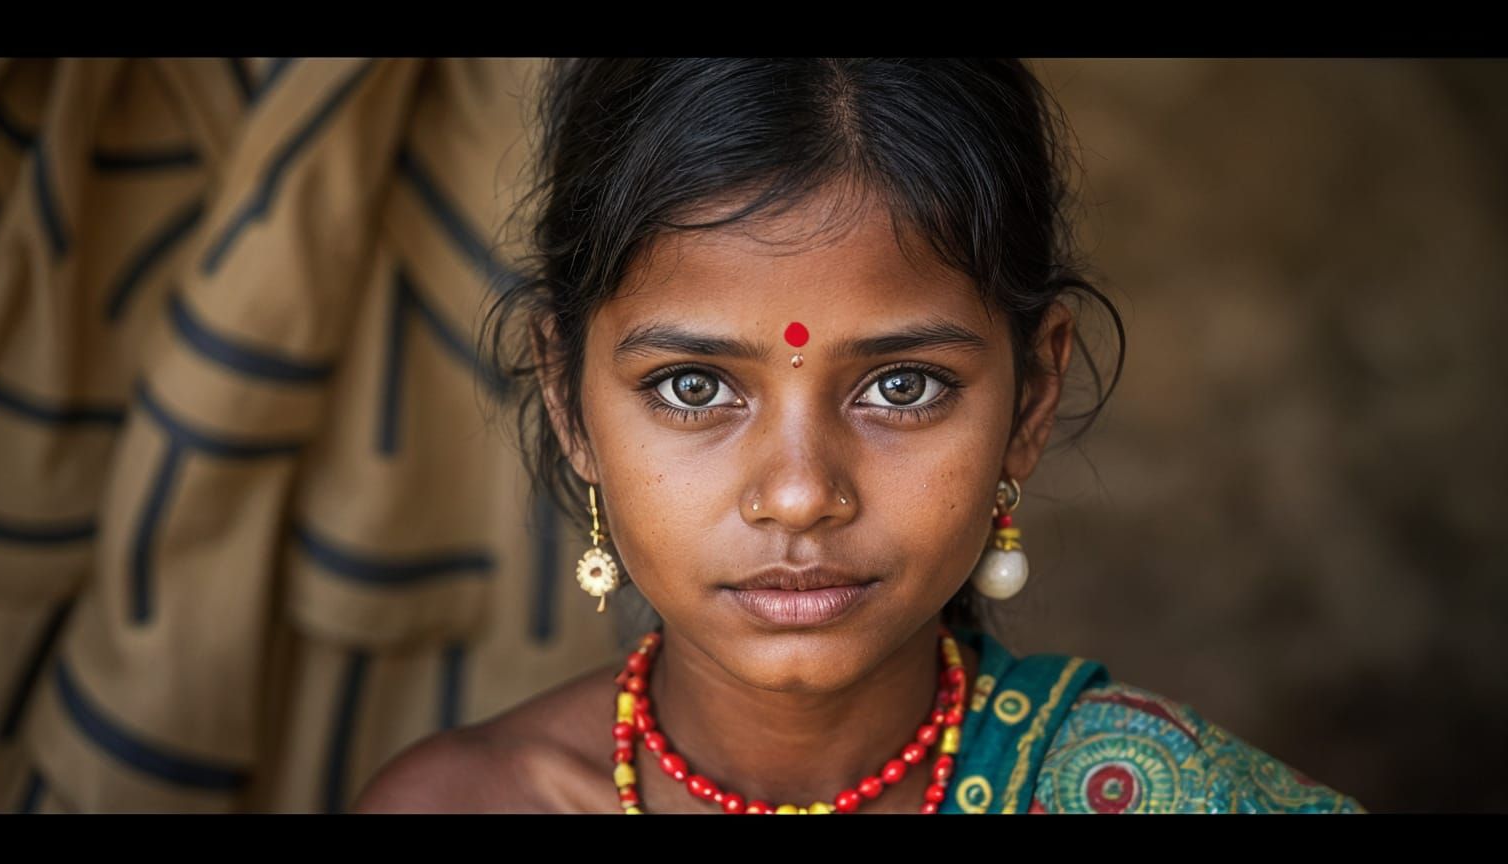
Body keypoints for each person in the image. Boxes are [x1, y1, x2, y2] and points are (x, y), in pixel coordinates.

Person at [351, 58, 1365, 814]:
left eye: (902, 384)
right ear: (568, 399)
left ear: (1033, 394)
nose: (798, 493)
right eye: (695, 385)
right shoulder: (457, 803)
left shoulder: (1179, 797)